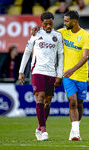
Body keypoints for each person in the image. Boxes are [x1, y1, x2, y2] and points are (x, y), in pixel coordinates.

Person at [31, 10, 89, 141]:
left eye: (66, 21)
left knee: (80, 104)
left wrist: (74, 69)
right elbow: (47, 31)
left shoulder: (86, 35)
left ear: (74, 21)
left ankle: (74, 129)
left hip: (81, 75)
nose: (64, 23)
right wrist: (37, 28)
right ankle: (76, 133)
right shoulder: (61, 33)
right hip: (67, 75)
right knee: (73, 102)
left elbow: (85, 56)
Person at [18, 11, 64, 141]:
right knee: (40, 97)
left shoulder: (57, 36)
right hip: (37, 70)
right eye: (46, 24)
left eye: (50, 23)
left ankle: (39, 127)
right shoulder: (35, 34)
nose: (48, 26)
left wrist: (59, 75)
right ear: (41, 23)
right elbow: (27, 52)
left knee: (47, 102)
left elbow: (60, 56)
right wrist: (21, 71)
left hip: (51, 72)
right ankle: (44, 130)